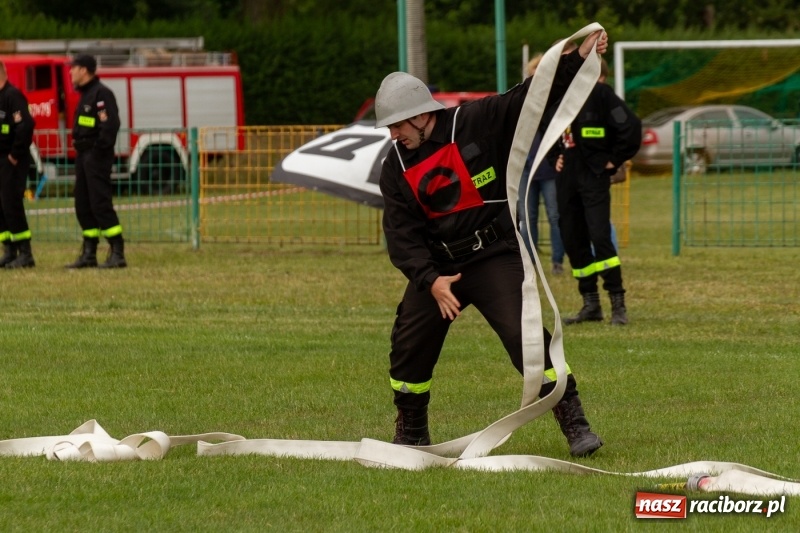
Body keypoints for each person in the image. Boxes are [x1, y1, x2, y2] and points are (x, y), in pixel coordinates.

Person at [375, 30, 607, 458]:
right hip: (438, 270)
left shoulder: (476, 121)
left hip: (493, 256)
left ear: (421, 116)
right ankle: (412, 431)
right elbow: (401, 235)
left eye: (397, 125)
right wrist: (431, 281)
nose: (393, 135)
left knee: (526, 338)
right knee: (409, 345)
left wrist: (576, 58)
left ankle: (575, 423)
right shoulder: (395, 166)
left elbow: (530, 95)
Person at [548, 58, 641, 326]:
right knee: (571, 237)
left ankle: (617, 304)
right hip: (567, 176)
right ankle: (590, 304)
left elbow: (631, 127)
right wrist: (554, 156)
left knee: (600, 236)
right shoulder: (558, 97)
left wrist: (614, 160)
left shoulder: (602, 95)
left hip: (593, 174)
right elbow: (544, 129)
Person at [65, 54, 127, 269]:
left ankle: (117, 251)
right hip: (83, 155)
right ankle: (89, 253)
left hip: (95, 155)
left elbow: (110, 126)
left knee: (100, 203)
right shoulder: (86, 94)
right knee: (83, 204)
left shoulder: (101, 94)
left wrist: (97, 152)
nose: (70, 71)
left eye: (73, 68)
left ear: (84, 70)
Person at [518, 53, 565, 275]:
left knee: (555, 216)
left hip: (549, 171)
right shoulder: (521, 103)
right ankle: (530, 263)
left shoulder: (556, 103)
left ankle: (557, 262)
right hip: (525, 170)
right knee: (528, 219)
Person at [0, 61, 36, 269]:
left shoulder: (12, 95)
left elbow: (25, 126)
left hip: (11, 160)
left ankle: (25, 253)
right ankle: (9, 250)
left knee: (11, 204)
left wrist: (14, 155)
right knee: (1, 207)